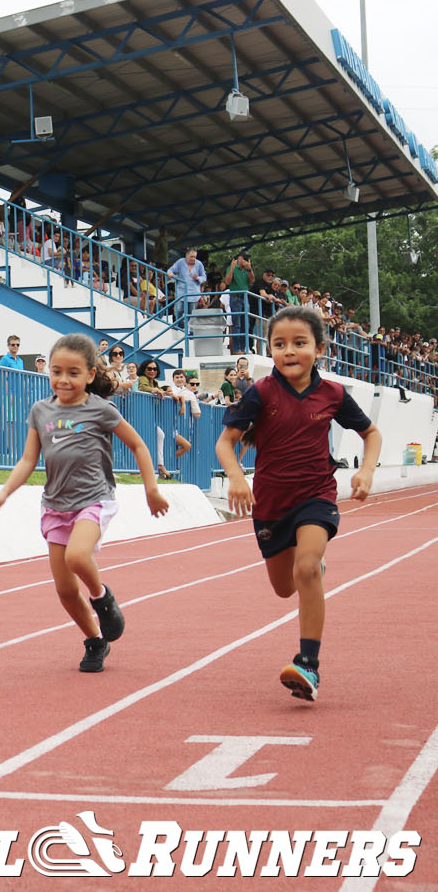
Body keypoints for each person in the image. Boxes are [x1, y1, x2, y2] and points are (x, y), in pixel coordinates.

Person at [215, 306, 382, 702]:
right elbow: (226, 442)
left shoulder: (333, 394)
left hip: (316, 495)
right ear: (270, 351)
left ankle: (308, 664)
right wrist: (237, 477)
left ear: (319, 349)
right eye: (280, 344)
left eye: (300, 343)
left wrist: (367, 472)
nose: (289, 351)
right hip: (271, 502)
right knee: (283, 588)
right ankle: (311, 564)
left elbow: (370, 433)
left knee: (305, 568)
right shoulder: (260, 393)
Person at [0, 334, 169, 673]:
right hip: (56, 505)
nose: (63, 379)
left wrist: (151, 489)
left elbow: (140, 447)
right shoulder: (40, 411)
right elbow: (28, 460)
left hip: (94, 499)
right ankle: (95, 640)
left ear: (89, 375)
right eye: (57, 371)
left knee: (77, 556)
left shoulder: (100, 409)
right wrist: (4, 492)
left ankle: (102, 597)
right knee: (65, 589)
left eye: (73, 372)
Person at [224, 250, 254, 354]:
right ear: (239, 259)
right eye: (245, 258)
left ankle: (243, 347)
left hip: (245, 298)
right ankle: (237, 349)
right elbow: (227, 282)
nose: (246, 260)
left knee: (245, 324)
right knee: (236, 324)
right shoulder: (232, 267)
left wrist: (250, 269)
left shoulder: (246, 270)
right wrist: (232, 268)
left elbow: (252, 280)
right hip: (235, 297)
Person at [168, 247, 207, 320]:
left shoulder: (199, 264)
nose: (193, 258)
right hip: (181, 293)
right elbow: (171, 270)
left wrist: (198, 278)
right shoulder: (180, 262)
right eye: (191, 257)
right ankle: (179, 326)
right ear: (186, 255)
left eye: (194, 257)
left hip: (193, 294)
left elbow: (204, 277)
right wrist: (170, 273)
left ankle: (190, 330)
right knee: (178, 310)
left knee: (192, 314)